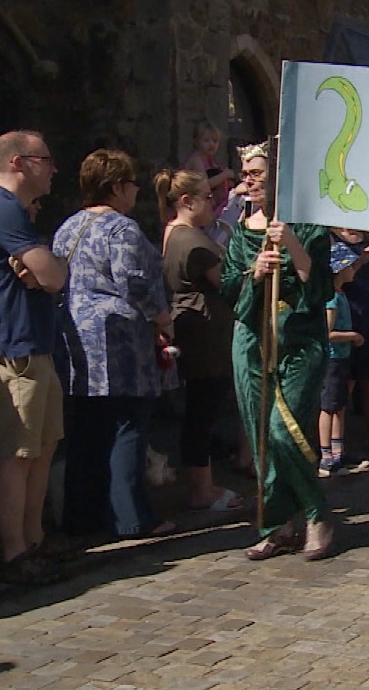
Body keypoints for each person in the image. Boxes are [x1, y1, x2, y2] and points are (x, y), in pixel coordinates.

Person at [220, 141, 336, 562]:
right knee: (260, 438)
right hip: (252, 339)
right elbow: (228, 287)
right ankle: (277, 524)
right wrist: (254, 273)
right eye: (245, 174)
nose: (247, 181)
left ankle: (317, 513)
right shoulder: (241, 231)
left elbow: (320, 283)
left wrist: (289, 242)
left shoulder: (306, 225)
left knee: (283, 432)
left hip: (300, 339)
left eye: (257, 174)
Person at [54, 149, 176, 541]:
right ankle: (132, 516)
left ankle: (82, 517)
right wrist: (162, 318)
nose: (136, 191)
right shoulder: (121, 229)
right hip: (120, 340)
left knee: (88, 431)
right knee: (128, 426)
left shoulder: (68, 227)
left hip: (78, 339)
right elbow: (134, 283)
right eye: (132, 184)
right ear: (117, 187)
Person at [0, 130, 69, 583]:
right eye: (46, 159)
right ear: (19, 163)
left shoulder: (10, 211)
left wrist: (47, 270)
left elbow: (50, 274)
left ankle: (34, 540)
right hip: (11, 352)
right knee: (19, 454)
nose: (53, 169)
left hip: (30, 346)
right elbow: (53, 274)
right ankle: (14, 553)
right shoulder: (2, 209)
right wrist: (46, 269)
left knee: (41, 450)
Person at [156, 168, 244, 512]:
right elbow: (228, 283)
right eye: (208, 197)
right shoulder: (192, 240)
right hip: (204, 334)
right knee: (202, 412)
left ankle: (203, 484)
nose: (213, 203)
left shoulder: (174, 233)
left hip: (198, 328)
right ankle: (201, 490)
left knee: (199, 411)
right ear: (186, 201)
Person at [328, 227, 369, 452]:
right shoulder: (331, 236)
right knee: (345, 379)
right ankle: (336, 442)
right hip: (345, 309)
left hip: (368, 309)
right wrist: (361, 260)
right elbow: (337, 273)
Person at [319, 242, 365, 477]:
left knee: (340, 405)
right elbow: (327, 333)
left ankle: (338, 451)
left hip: (343, 358)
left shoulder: (341, 295)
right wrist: (352, 336)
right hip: (333, 359)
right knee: (329, 406)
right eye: (349, 266)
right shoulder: (332, 300)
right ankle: (326, 456)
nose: (353, 269)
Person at [180, 119, 236, 211]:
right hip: (195, 205)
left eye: (215, 141)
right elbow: (205, 184)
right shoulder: (196, 160)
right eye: (206, 141)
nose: (211, 144)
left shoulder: (210, 160)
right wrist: (225, 175)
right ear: (196, 141)